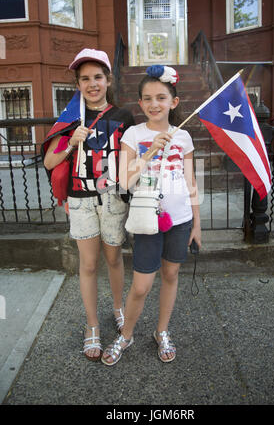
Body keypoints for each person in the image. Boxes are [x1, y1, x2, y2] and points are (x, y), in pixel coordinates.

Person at [101, 65, 201, 366]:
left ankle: (162, 331)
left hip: (180, 219)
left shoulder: (183, 137)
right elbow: (123, 181)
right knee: (142, 285)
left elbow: (192, 182)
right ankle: (126, 335)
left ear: (174, 102)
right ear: (141, 103)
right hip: (147, 219)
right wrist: (148, 154)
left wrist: (197, 224)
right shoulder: (133, 134)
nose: (153, 104)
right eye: (147, 98)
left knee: (171, 274)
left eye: (161, 97)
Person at [42, 48, 135, 361]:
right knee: (89, 264)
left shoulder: (123, 118)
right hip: (80, 201)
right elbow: (49, 160)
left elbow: (132, 162)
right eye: (85, 79)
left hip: (112, 199)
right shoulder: (72, 119)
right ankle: (92, 325)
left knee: (114, 259)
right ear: (78, 84)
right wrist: (71, 142)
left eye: (98, 77)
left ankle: (119, 308)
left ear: (108, 79)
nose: (92, 83)